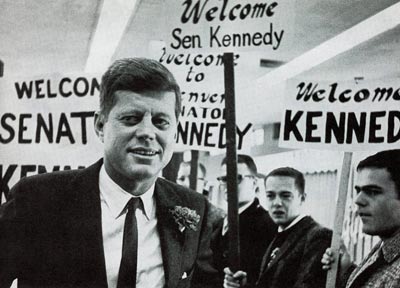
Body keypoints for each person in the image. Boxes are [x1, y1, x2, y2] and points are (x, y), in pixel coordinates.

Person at [0, 58, 218, 288]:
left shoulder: (193, 207)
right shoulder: (36, 199)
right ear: (100, 125)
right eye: (131, 119)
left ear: (175, 133)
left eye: (160, 121)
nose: (147, 132)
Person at [224, 167, 332, 288]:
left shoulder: (318, 236)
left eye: (285, 196)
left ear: (302, 198)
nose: (277, 203)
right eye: (270, 196)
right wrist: (243, 286)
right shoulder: (279, 233)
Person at [321, 149, 400, 288]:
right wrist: (346, 271)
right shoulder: (385, 245)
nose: (358, 200)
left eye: (373, 192)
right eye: (358, 190)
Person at [213, 154, 277, 287]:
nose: (228, 184)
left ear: (254, 182)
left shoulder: (268, 225)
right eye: (224, 179)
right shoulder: (217, 225)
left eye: (236, 178)